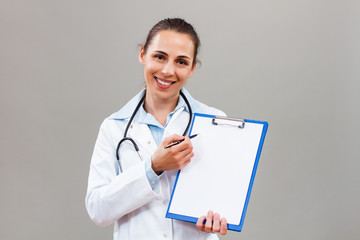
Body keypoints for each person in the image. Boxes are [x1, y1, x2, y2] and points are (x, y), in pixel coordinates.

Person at [85, 18, 228, 239]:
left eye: (181, 62)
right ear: (142, 55)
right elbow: (98, 210)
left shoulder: (214, 122)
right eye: (159, 57)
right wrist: (152, 167)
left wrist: (217, 217)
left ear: (192, 68)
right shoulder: (114, 128)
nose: (168, 70)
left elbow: (224, 199)